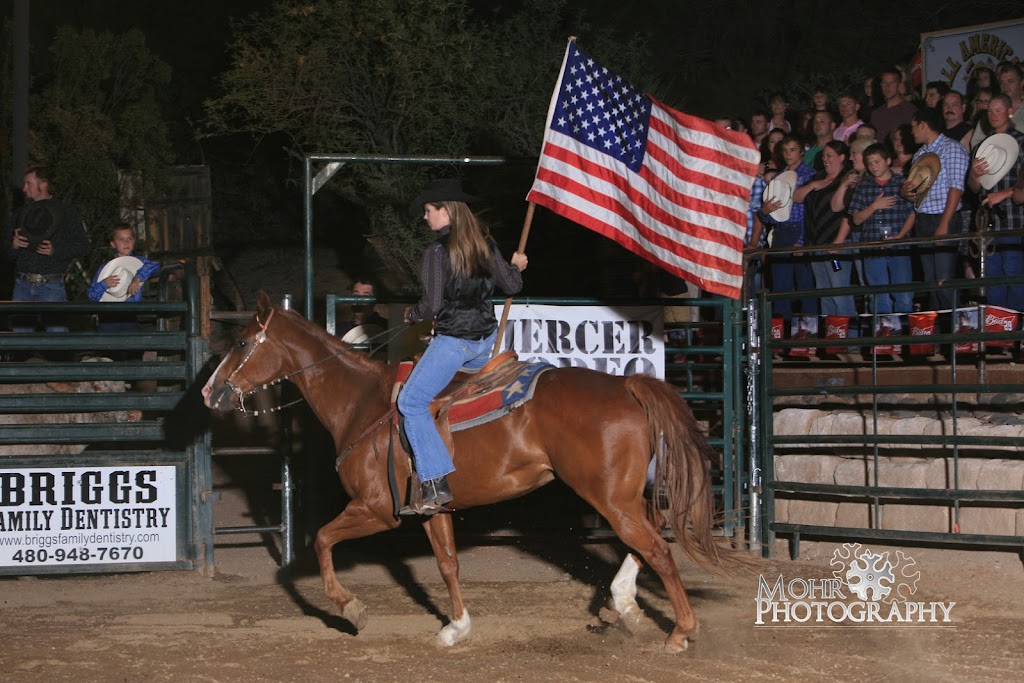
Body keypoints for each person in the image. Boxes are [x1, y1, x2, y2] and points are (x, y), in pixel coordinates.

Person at [397, 179, 528, 514]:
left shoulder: (437, 253)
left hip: (455, 342)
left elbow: (433, 306)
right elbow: (511, 283)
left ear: (446, 211)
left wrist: (411, 314)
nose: (426, 218)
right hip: (485, 340)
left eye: (429, 211)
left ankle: (434, 480)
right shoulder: (485, 243)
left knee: (410, 401)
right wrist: (517, 266)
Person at [5, 164, 87, 333]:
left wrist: (55, 251)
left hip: (51, 284)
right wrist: (13, 245)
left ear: (43, 184)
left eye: (29, 183)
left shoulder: (66, 212)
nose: (24, 188)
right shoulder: (19, 214)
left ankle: (61, 359)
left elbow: (82, 246)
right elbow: (7, 254)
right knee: (20, 338)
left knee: (57, 336)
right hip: (22, 285)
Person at [903, 107, 971, 311]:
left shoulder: (952, 148)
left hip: (944, 216)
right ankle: (938, 332)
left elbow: (956, 188)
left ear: (923, 125)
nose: (912, 131)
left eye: (914, 126)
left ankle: (958, 331)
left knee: (944, 280)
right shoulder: (920, 154)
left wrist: (944, 224)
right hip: (924, 218)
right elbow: (913, 189)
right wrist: (905, 191)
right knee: (931, 281)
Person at [965, 94, 1024, 312]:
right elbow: (974, 188)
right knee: (991, 277)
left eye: (998, 110)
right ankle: (997, 333)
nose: (993, 115)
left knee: (1014, 273)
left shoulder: (1022, 142)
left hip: (1014, 218)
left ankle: (1016, 331)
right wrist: (973, 174)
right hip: (987, 222)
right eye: (989, 111)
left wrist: (1007, 193)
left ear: (1009, 112)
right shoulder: (982, 146)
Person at [848, 143, 916, 315]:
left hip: (899, 247)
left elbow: (912, 213)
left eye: (877, 162)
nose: (873, 167)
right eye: (870, 163)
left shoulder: (902, 183)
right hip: (872, 246)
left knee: (904, 296)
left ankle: (902, 336)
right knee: (878, 297)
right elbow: (855, 219)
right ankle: (883, 337)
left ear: (887, 161)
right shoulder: (864, 186)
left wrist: (901, 236)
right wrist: (874, 206)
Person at [758, 133, 817, 321]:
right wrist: (765, 212)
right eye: (785, 151)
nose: (788, 154)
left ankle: (808, 332)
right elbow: (774, 214)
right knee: (780, 285)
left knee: (804, 283)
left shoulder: (810, 174)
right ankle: (780, 333)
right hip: (781, 233)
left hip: (800, 231)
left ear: (801, 152)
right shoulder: (779, 176)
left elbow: (808, 211)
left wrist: (801, 239)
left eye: (793, 150)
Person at [804, 141, 857, 319]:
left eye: (830, 155)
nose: (825, 159)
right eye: (823, 156)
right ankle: (832, 340)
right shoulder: (817, 176)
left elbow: (846, 211)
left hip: (836, 245)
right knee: (824, 294)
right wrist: (812, 185)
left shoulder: (849, 177)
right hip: (816, 245)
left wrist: (839, 242)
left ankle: (850, 342)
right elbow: (797, 197)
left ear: (842, 157)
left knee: (839, 292)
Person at [871, 68, 918, 143]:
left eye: (891, 83)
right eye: (884, 83)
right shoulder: (876, 114)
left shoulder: (909, 111)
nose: (887, 87)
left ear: (899, 85)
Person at [336, 278, 388, 343]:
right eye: (356, 295)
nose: (359, 300)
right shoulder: (340, 330)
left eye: (365, 296)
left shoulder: (387, 327)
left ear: (375, 300)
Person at [996, 61, 1023, 133]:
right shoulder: (992, 110)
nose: (1005, 86)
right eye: (1002, 82)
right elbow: (977, 142)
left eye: (1010, 81)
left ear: (1021, 83)